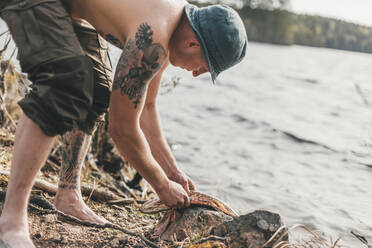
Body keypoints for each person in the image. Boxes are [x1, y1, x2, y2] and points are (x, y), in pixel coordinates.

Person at [0, 0, 248, 247]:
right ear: (192, 43)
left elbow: (147, 109)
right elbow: (121, 128)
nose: (196, 73)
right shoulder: (155, 38)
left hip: (68, 7)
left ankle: (68, 194)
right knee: (65, 83)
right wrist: (161, 185)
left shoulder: (170, 28)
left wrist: (173, 172)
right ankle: (11, 220)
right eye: (203, 67)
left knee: (97, 90)